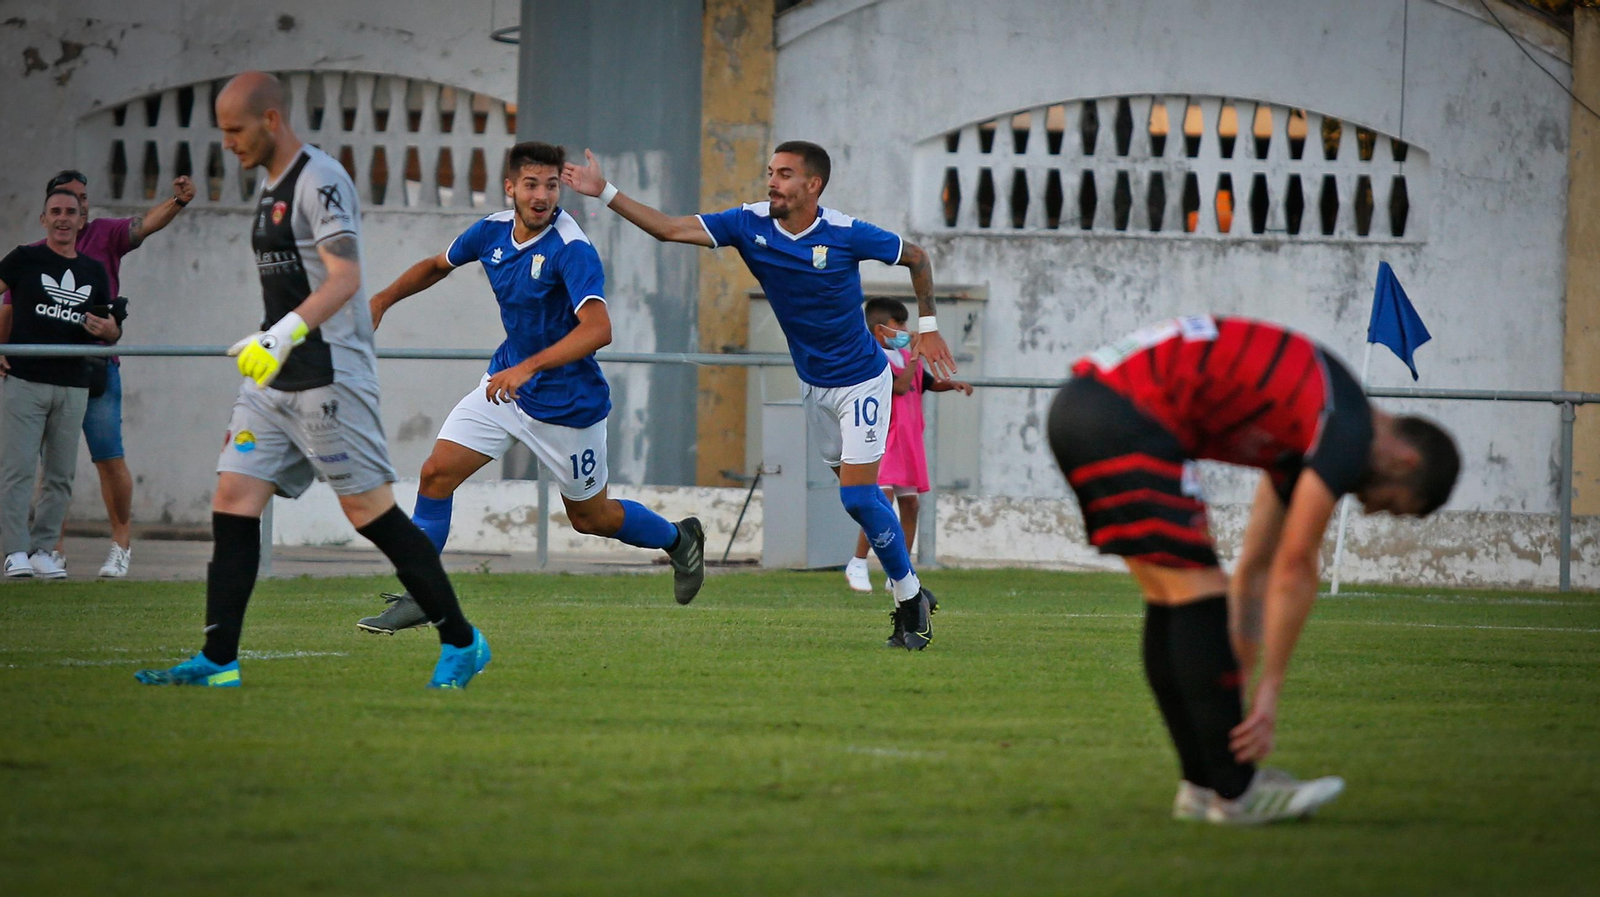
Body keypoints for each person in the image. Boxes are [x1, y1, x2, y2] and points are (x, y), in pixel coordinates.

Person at [135, 71, 487, 689]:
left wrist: (283, 333)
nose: (228, 144)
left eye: (235, 130)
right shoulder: (268, 182)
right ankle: (219, 661)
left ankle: (462, 640)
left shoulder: (320, 180)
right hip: (274, 381)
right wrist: (271, 337)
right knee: (233, 501)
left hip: (329, 373)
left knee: (369, 513)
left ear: (271, 120)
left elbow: (344, 278)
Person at [1047, 314, 1460, 824]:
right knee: (1195, 592)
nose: (1373, 511)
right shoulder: (1347, 430)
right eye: (1393, 505)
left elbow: (1257, 570)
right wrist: (1269, 692)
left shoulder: (1305, 432)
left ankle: (1203, 786)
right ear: (1405, 463)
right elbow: (1296, 565)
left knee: (1172, 594)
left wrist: (1235, 678)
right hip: (1127, 416)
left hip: (1084, 406)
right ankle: (1238, 795)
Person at [563, 141, 954, 650]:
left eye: (785, 174)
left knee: (858, 496)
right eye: (770, 171)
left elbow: (917, 257)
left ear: (813, 186)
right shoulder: (748, 224)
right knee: (862, 502)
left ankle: (909, 605)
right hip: (815, 386)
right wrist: (605, 191)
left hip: (863, 380)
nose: (772, 181)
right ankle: (914, 590)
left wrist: (929, 326)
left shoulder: (843, 233)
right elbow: (669, 228)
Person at [352, 141, 706, 635]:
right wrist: (383, 299)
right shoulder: (491, 232)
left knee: (592, 518)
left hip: (568, 406)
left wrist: (530, 368)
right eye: (532, 184)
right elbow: (436, 265)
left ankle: (679, 538)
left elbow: (598, 330)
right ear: (511, 187)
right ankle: (422, 595)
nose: (542, 195)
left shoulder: (570, 248)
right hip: (504, 387)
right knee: (435, 475)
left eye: (552, 185)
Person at [16, 169, 196, 578]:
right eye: (63, 203)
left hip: (97, 368)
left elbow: (143, 225)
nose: (74, 209)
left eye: (80, 200)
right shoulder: (30, 256)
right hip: (47, 371)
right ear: (47, 212)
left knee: (108, 458)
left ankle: (121, 544)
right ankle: (50, 549)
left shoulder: (104, 238)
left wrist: (180, 201)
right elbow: (9, 305)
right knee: (53, 466)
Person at [0, 188, 122, 578]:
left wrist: (111, 329)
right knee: (17, 471)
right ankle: (15, 552)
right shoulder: (24, 258)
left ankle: (44, 551)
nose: (63, 218)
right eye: (55, 211)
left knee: (60, 475)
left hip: (73, 384)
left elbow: (109, 328)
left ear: (81, 220)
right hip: (24, 379)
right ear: (44, 219)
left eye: (71, 212)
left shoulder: (93, 271)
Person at [844, 297, 971, 593]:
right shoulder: (875, 358)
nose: (905, 329)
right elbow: (900, 386)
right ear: (879, 331)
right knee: (879, 501)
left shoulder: (903, 354)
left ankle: (900, 570)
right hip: (888, 440)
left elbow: (923, 382)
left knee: (910, 505)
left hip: (910, 441)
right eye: (898, 323)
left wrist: (950, 384)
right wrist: (916, 353)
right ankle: (859, 560)